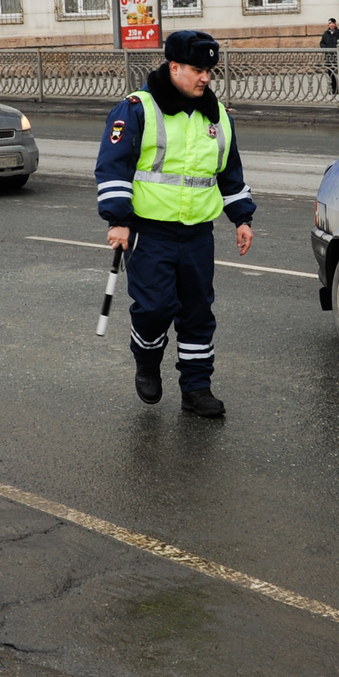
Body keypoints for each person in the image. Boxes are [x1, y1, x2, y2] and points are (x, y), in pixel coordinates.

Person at [95, 30, 256, 418]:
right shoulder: (137, 108)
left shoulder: (217, 117)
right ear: (174, 67)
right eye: (198, 70)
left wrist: (242, 217)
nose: (206, 78)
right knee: (155, 308)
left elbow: (228, 172)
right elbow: (113, 167)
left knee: (198, 312)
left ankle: (196, 388)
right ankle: (148, 363)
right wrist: (118, 220)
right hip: (151, 232)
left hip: (199, 233)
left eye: (210, 71)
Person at [319, 18, 339, 95]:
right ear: (328, 25)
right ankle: (334, 90)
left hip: (338, 57)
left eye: (333, 23)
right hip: (329, 57)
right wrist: (325, 48)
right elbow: (322, 43)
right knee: (331, 74)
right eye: (330, 23)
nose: (331, 25)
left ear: (335, 24)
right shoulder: (325, 34)